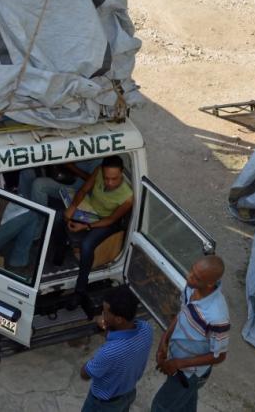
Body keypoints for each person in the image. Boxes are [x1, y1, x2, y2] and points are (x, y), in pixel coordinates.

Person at [151, 256, 230, 412]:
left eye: (196, 277)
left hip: (189, 373)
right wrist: (164, 341)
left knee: (160, 407)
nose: (189, 277)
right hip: (176, 363)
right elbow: (182, 314)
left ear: (209, 283)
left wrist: (178, 364)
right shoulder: (191, 288)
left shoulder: (217, 317)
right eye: (191, 271)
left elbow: (219, 356)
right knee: (185, 403)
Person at [57, 155, 133, 311]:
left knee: (87, 245)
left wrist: (86, 227)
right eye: (106, 179)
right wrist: (72, 207)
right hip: (90, 209)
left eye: (114, 179)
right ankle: (59, 252)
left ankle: (80, 290)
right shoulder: (98, 171)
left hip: (105, 221)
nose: (110, 183)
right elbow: (84, 189)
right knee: (61, 216)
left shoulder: (127, 197)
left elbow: (111, 219)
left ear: (121, 174)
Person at [80, 286, 153, 412]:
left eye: (105, 312)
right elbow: (122, 338)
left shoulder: (108, 352)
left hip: (103, 405)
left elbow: (85, 374)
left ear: (119, 319)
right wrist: (108, 327)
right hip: (128, 393)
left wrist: (94, 359)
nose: (102, 314)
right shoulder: (146, 329)